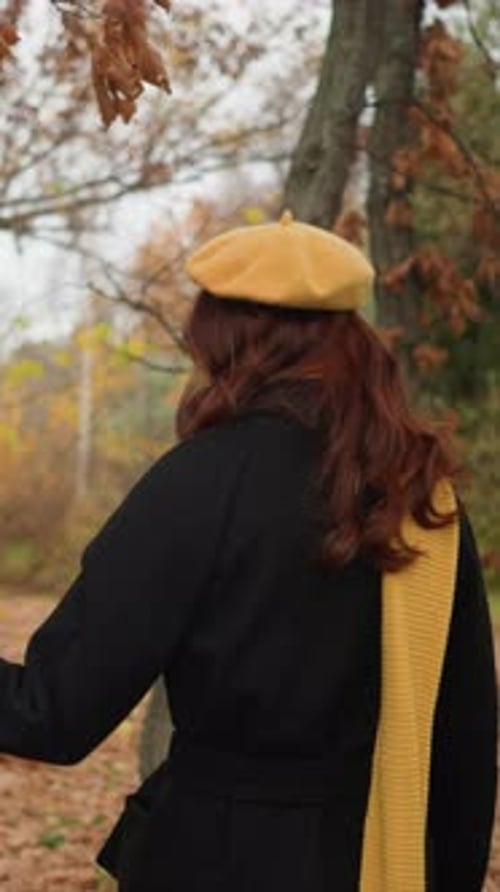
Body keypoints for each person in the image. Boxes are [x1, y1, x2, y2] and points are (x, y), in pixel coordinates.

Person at [0, 210, 497, 892]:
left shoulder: (195, 484)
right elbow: (464, 745)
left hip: (207, 860)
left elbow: (52, 712)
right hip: (370, 861)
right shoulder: (422, 503)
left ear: (223, 338)